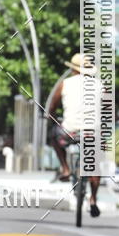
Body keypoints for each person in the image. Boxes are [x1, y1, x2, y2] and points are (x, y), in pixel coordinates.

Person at [49, 53, 101, 218]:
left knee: (53, 135)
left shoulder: (65, 84)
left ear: (73, 69)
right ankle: (93, 199)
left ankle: (65, 168)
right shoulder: (100, 85)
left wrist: (50, 115)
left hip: (68, 132)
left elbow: (52, 106)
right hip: (92, 134)